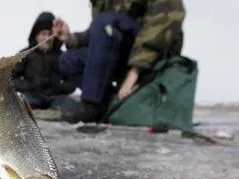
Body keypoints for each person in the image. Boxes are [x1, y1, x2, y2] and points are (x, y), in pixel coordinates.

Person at [52, 0, 186, 123]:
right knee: (68, 60)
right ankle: (108, 104)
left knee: (105, 20)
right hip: (123, 54)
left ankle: (90, 104)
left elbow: (166, 21)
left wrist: (135, 71)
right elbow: (101, 33)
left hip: (153, 56)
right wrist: (70, 38)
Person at [11, 11, 77, 111]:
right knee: (20, 106)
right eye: (43, 34)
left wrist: (58, 85)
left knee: (71, 107)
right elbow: (10, 78)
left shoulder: (62, 56)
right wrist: (31, 84)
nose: (47, 38)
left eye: (50, 34)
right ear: (36, 36)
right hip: (32, 96)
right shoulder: (25, 55)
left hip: (55, 97)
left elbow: (72, 82)